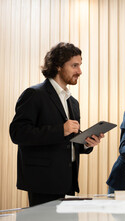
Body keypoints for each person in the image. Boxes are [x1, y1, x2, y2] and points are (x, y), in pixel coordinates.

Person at [9, 42, 104, 207]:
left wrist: (87, 143)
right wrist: (61, 130)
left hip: (67, 181)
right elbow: (18, 133)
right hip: (43, 182)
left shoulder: (72, 102)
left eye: (80, 65)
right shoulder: (34, 94)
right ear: (58, 66)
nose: (79, 71)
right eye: (74, 65)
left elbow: (69, 140)